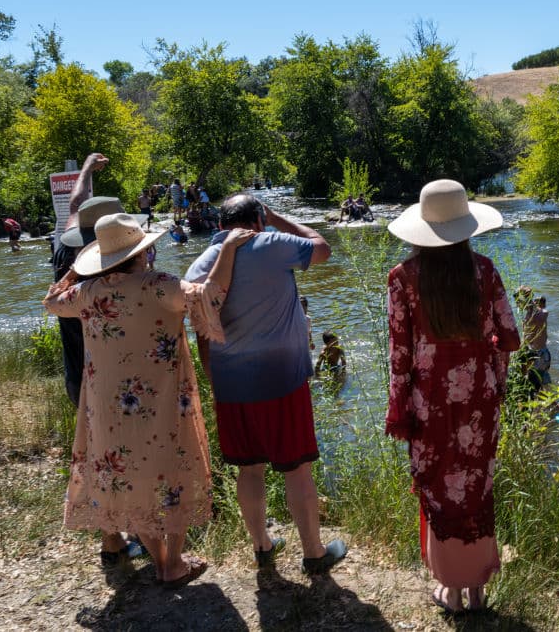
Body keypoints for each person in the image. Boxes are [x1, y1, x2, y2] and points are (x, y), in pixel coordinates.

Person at [44, 213, 254, 585]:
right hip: (162, 401)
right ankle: (172, 563)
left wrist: (79, 270)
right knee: (172, 471)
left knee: (129, 480)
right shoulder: (159, 286)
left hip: (108, 408)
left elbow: (52, 301)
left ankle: (160, 561)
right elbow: (210, 295)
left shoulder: (88, 294)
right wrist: (228, 249)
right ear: (145, 252)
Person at [185, 194, 347, 575]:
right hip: (283, 381)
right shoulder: (273, 243)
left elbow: (201, 332)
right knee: (297, 468)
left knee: (249, 469)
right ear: (258, 219)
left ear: (220, 225)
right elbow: (323, 248)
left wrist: (214, 379)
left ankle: (262, 546)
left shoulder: (200, 265)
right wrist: (280, 219)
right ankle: (313, 553)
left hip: (231, 384)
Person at [385, 179, 521, 613]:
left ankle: (453, 590)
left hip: (429, 403)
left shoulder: (403, 278)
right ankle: (478, 587)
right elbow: (512, 338)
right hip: (479, 398)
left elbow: (400, 355)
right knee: (476, 486)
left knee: (441, 487)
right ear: (466, 225)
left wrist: (399, 407)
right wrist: (490, 370)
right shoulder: (485, 270)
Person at [514, 286, 551, 392]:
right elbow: (518, 302)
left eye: (535, 302)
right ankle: (550, 404)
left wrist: (528, 299)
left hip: (540, 355)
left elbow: (540, 312)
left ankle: (550, 404)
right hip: (531, 353)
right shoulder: (529, 314)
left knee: (536, 386)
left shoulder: (543, 313)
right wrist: (517, 293)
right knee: (536, 384)